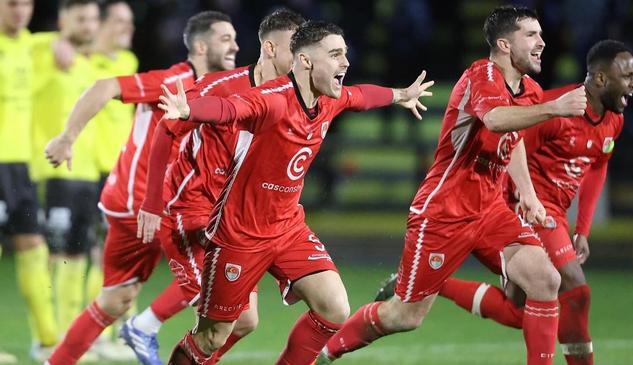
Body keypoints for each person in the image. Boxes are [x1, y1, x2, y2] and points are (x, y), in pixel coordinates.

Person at [315, 6, 587, 365]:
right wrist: (556, 108)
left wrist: (529, 195)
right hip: (444, 212)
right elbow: (494, 119)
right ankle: (325, 352)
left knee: (545, 279)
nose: (542, 42)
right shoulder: (481, 75)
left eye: (540, 34)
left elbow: (514, 136)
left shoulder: (531, 90)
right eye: (532, 35)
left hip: (490, 211)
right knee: (404, 316)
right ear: (504, 44)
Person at [158, 20, 434, 365]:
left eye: (345, 54)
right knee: (213, 336)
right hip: (240, 235)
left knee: (334, 307)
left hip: (288, 228)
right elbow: (231, 109)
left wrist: (400, 95)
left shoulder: (328, 100)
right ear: (305, 61)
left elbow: (361, 96)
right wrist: (189, 110)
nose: (345, 63)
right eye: (335, 54)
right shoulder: (272, 100)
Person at [43, 10, 239, 365]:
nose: (235, 46)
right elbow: (105, 86)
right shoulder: (174, 79)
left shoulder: (217, 89)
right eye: (225, 39)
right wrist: (68, 137)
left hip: (143, 203)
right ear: (200, 45)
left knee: (114, 299)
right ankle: (144, 327)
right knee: (217, 277)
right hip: (143, 205)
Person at [430, 40, 633, 365]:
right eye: (628, 76)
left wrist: (582, 228)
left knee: (517, 312)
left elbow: (598, 165)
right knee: (575, 286)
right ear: (600, 79)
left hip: (554, 213)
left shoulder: (614, 121)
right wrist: (514, 202)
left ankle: (435, 284)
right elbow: (511, 146)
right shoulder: (556, 109)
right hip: (528, 210)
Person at [131, 8, 305, 365]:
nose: (301, 59)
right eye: (294, 48)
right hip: (190, 212)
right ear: (271, 49)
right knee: (231, 320)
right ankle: (145, 327)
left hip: (232, 222)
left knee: (245, 322)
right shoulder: (220, 86)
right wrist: (151, 203)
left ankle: (154, 333)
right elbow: (167, 128)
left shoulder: (294, 99)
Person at [30, 2, 102, 354]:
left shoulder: (88, 64)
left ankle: (67, 337)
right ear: (63, 22)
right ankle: (41, 337)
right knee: (47, 252)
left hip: (86, 172)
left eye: (92, 19)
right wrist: (51, 41)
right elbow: (16, 39)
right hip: (49, 169)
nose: (89, 25)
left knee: (75, 255)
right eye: (81, 19)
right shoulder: (43, 52)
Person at [0, 0, 58, 361]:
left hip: (20, 166)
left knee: (34, 247)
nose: (20, 11)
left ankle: (48, 341)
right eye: (12, 4)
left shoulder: (28, 45)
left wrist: (60, 42)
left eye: (26, 4)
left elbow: (60, 38)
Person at [86, 0, 139, 360]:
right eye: (119, 21)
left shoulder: (129, 63)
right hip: (91, 171)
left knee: (126, 255)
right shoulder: (80, 59)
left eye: (130, 22)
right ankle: (98, 334)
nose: (127, 27)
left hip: (125, 173)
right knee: (95, 253)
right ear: (100, 24)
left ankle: (120, 332)